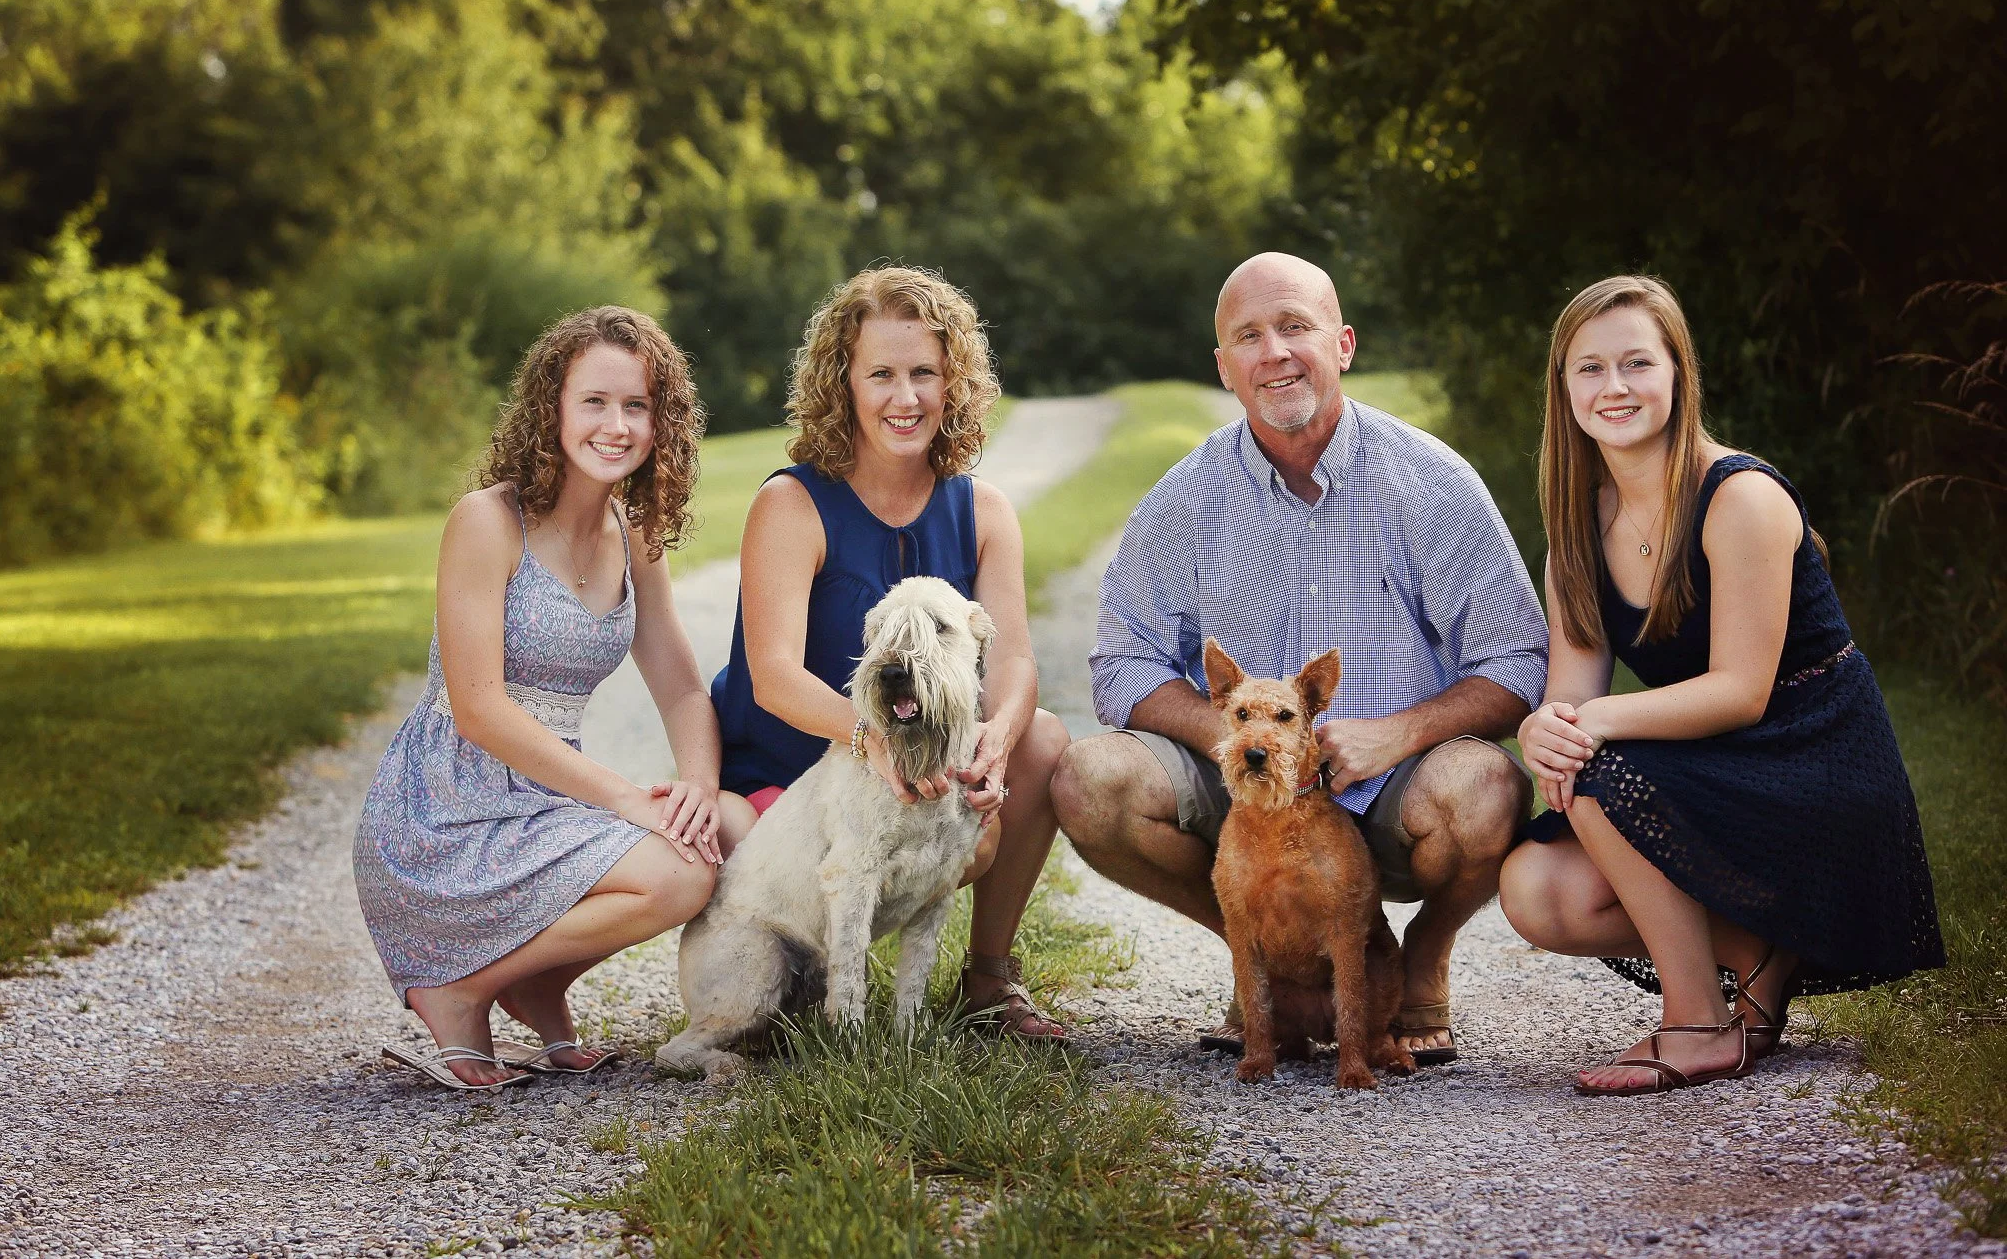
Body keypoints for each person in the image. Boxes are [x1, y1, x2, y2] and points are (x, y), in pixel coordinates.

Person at [1051, 251, 1548, 1063]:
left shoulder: (1433, 483)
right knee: (1088, 780)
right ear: (1224, 367)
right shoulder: (1185, 498)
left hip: (1389, 791)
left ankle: (1419, 957)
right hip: (1248, 806)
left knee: (1487, 790)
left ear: (1343, 343)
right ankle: (1266, 962)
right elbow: (1121, 664)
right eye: (1248, 335)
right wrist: (1235, 729)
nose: (1274, 352)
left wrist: (1398, 732)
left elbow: (1519, 660)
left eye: (1294, 326)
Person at [1497, 274, 1944, 1095]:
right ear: (1563, 389)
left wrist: (1587, 726)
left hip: (1812, 759)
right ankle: (1763, 947)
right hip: (1718, 763)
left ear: (1678, 373)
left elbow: (1741, 689)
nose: (1616, 386)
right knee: (1536, 887)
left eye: (1638, 362)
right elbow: (1568, 699)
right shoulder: (1575, 536)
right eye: (1589, 368)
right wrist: (1542, 731)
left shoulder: (1740, 497)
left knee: (1599, 773)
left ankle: (1699, 1019)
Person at [354, 306, 751, 1087]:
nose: (616, 424)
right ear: (552, 409)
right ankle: (458, 988)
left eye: (637, 405)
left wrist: (698, 784)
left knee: (728, 825)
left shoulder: (632, 531)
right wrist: (628, 800)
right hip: (447, 811)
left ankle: (539, 981)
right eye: (594, 402)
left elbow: (677, 682)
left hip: (542, 802)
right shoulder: (488, 521)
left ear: (660, 421)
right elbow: (478, 709)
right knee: (678, 874)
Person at [710, 264, 1072, 1038]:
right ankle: (789, 998)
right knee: (754, 849)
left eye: (923, 374)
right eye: (881, 374)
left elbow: (1012, 662)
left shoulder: (984, 510)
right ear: (843, 382)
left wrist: (996, 745)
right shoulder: (792, 503)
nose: (904, 398)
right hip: (787, 775)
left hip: (914, 763)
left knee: (1042, 735)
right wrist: (866, 738)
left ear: (955, 383)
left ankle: (987, 981)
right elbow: (772, 673)